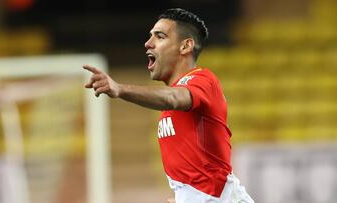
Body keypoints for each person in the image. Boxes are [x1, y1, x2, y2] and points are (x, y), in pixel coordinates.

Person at [83, 8, 254, 203]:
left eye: (160, 36)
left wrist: (120, 89)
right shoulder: (169, 104)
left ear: (185, 46)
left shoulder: (203, 80)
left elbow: (173, 97)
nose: (148, 43)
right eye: (150, 37)